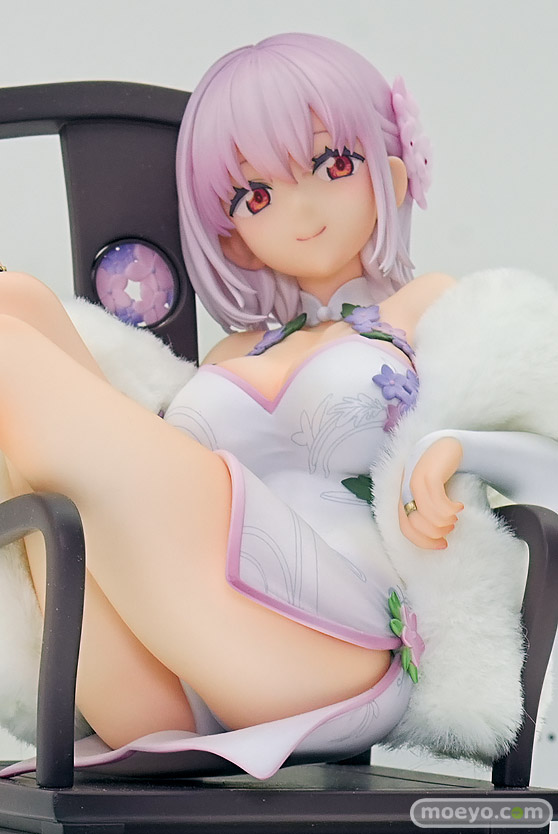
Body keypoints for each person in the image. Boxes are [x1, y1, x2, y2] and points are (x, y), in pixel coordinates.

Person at [0, 33, 468, 779]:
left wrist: (453, 450)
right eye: (255, 196)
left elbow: (518, 406)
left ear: (391, 171)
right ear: (237, 238)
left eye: (332, 164)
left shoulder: (427, 306)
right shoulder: (229, 354)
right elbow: (142, 503)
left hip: (332, 647)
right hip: (174, 684)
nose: (300, 208)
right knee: (16, 303)